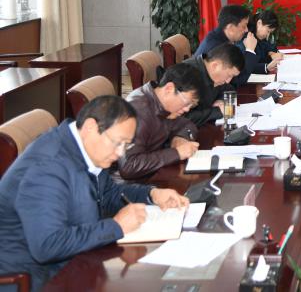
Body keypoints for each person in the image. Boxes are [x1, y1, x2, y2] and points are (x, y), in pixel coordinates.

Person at [0, 96, 187, 290]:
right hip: (32, 279)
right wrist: (116, 226)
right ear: (90, 127)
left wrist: (152, 194)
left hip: (72, 262)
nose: (120, 154)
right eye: (117, 143)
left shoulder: (84, 149)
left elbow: (109, 194)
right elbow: (47, 246)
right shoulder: (47, 168)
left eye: (126, 145)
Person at [116, 63, 205, 180]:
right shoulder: (138, 111)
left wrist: (180, 138)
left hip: (153, 173)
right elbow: (129, 166)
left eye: (192, 105)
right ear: (169, 89)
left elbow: (187, 124)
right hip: (128, 184)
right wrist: (177, 153)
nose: (187, 109)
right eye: (187, 102)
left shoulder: (162, 104)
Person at [183, 43, 244, 127]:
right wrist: (217, 111)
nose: (228, 81)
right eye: (229, 75)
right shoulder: (186, 75)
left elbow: (229, 89)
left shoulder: (214, 74)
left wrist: (221, 100)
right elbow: (182, 118)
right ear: (215, 65)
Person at [195, 4, 258, 85]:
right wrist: (250, 50)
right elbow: (236, 80)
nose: (246, 30)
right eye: (244, 26)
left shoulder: (220, 38)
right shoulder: (217, 46)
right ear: (231, 27)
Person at [235, 9, 284, 75]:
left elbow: (270, 47)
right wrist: (266, 66)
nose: (268, 35)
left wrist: (271, 53)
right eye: (268, 31)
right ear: (259, 23)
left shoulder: (261, 37)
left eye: (270, 32)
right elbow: (247, 65)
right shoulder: (248, 38)